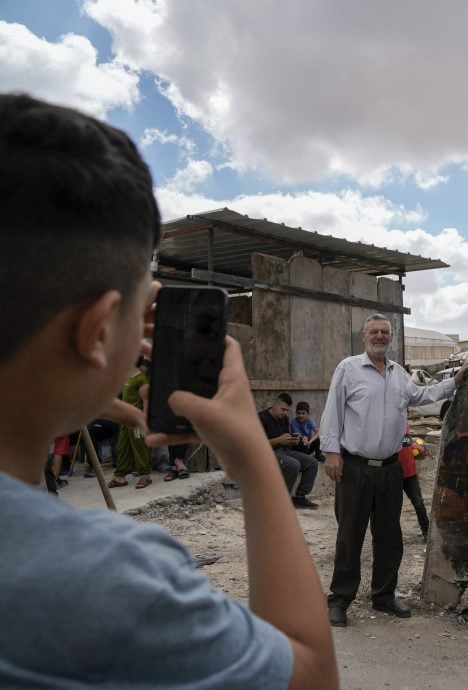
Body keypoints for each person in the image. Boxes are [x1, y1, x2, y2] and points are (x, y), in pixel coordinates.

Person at [0, 93, 336, 688]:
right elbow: (309, 671)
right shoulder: (105, 581)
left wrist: (52, 391)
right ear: (100, 332)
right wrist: (254, 464)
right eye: (141, 302)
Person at [321, 314, 467, 627]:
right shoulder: (348, 369)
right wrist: (331, 452)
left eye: (385, 332)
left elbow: (423, 397)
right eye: (374, 331)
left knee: (390, 537)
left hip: (390, 469)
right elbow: (331, 412)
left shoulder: (399, 374)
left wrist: (454, 382)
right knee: (350, 535)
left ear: (391, 337)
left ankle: (384, 596)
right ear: (363, 335)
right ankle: (340, 599)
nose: (379, 336)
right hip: (355, 467)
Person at [258, 393, 320, 509]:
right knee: (293, 464)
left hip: (284, 451)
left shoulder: (284, 419)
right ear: (274, 404)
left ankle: (299, 498)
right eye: (283, 409)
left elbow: (287, 438)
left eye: (287, 410)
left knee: (312, 462)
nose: (285, 413)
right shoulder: (261, 418)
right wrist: (279, 440)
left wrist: (296, 440)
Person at [108, 362, 152, 489]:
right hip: (125, 420)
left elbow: (146, 400)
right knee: (122, 447)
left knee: (139, 446)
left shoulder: (141, 378)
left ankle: (146, 475)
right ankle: (120, 477)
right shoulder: (127, 377)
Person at [399, 425, 429, 542]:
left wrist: (418, 449)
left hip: (410, 474)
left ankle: (426, 531)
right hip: (394, 474)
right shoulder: (387, 428)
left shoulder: (405, 425)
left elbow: (407, 443)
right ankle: (392, 535)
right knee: (394, 507)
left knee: (419, 503)